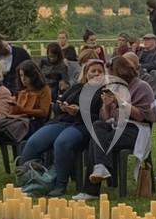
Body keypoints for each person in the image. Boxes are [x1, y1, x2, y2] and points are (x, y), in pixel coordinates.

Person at [19, 58, 108, 197]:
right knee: (34, 142)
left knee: (62, 143)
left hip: (84, 126)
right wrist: (62, 107)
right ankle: (26, 180)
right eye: (93, 71)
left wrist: (79, 112)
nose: (96, 74)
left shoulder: (105, 93)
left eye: (100, 71)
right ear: (86, 73)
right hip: (63, 121)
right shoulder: (76, 87)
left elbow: (101, 119)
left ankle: (60, 184)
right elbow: (56, 105)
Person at [81, 53, 156, 199]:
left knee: (96, 141)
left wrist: (121, 102)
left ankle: (92, 189)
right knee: (97, 126)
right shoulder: (115, 87)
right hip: (117, 127)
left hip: (136, 130)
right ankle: (100, 168)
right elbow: (105, 119)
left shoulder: (142, 87)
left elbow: (142, 116)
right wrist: (106, 105)